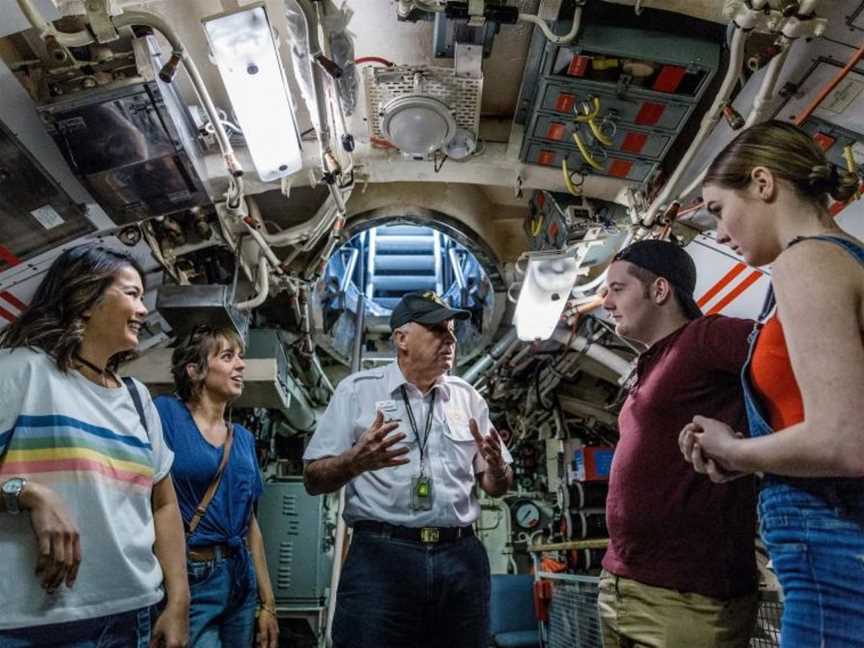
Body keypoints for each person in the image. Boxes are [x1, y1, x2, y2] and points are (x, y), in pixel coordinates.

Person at [679, 119, 864, 647]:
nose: (716, 233)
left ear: (763, 184)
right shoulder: (846, 259)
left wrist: (735, 451)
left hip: (833, 551)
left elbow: (844, 442)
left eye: (717, 209)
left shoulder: (806, 262)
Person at [0, 244, 188, 647]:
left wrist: (179, 603)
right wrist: (26, 493)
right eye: (132, 294)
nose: (143, 310)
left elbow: (164, 504)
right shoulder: (18, 371)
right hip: (30, 624)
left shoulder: (137, 400)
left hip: (131, 615)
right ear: (85, 299)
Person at [303, 290, 513, 648]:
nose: (450, 340)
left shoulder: (467, 398)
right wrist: (356, 460)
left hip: (459, 558)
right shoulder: (357, 392)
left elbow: (496, 486)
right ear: (401, 338)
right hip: (381, 559)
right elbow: (312, 478)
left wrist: (496, 467)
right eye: (437, 331)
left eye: (451, 331)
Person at [597, 239, 759, 648]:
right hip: (620, 585)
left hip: (687, 598)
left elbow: (793, 356)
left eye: (618, 289)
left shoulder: (706, 338)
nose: (605, 302)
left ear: (660, 290)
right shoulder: (648, 363)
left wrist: (754, 448)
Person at [154, 325, 279, 648]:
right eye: (227, 356)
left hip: (240, 577)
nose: (241, 365)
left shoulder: (243, 439)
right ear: (194, 370)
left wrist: (268, 603)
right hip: (192, 574)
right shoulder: (165, 415)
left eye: (240, 357)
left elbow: (250, 524)